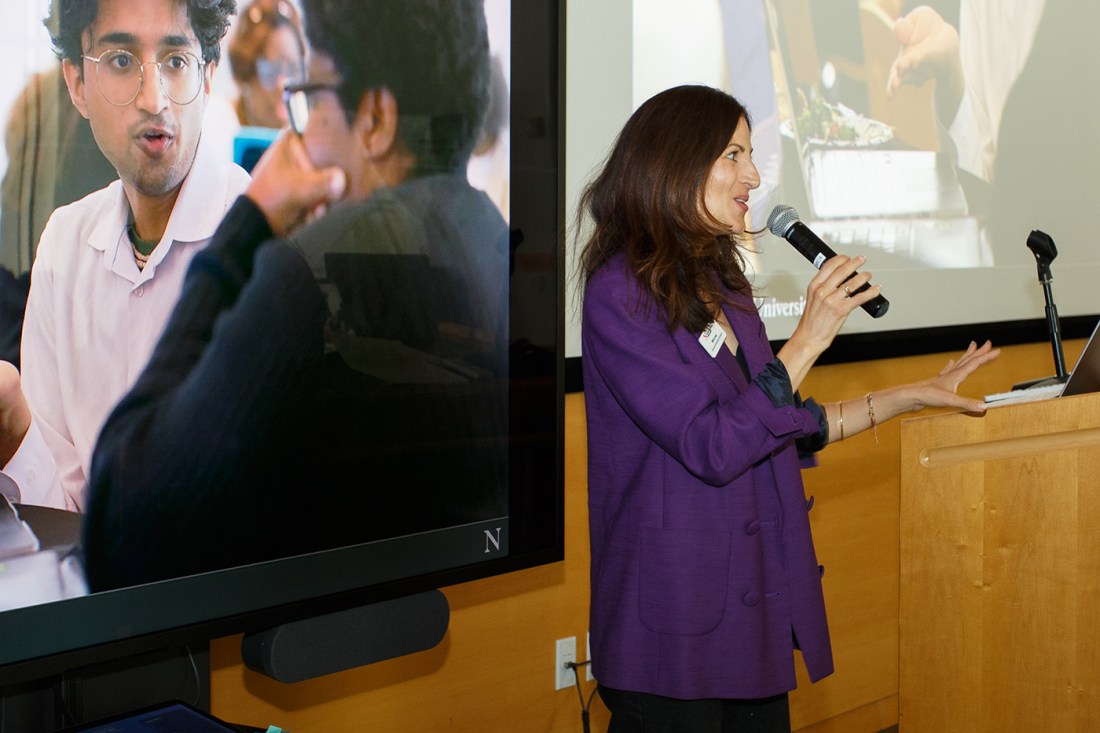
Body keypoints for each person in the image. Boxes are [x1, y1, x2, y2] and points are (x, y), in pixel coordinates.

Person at [578, 84, 998, 731]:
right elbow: (713, 445)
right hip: (670, 635)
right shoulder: (619, 293)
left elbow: (785, 424)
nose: (754, 175)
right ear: (674, 161)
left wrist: (914, 394)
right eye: (733, 155)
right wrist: (804, 340)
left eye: (752, 154)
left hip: (751, 616)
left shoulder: (726, 281)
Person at [82, 0, 508, 591]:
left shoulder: (316, 276)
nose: (300, 134)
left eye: (311, 97)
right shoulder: (496, 243)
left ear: (377, 119)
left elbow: (119, 528)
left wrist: (247, 226)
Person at [0, 0, 247, 511]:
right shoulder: (64, 244)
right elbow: (63, 514)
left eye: (177, 62)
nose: (153, 99)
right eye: (120, 61)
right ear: (75, 84)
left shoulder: (261, 243)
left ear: (209, 75)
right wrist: (13, 424)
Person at [227, 0, 305, 129]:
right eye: (271, 71)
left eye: (293, 69)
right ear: (245, 73)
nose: (284, 84)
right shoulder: (220, 126)